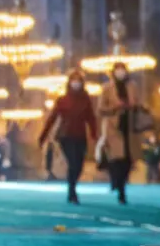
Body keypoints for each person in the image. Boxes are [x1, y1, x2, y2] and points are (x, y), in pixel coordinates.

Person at [38, 70, 97, 204]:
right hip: (66, 136)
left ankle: (72, 188)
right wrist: (43, 136)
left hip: (81, 136)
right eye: (73, 80)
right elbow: (52, 119)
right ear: (69, 83)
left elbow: (91, 118)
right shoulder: (62, 100)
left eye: (78, 81)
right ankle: (72, 192)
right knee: (73, 163)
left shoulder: (85, 100)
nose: (76, 83)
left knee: (80, 165)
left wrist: (94, 134)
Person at [97, 61, 143, 204]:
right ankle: (120, 190)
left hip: (129, 127)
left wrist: (132, 105)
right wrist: (115, 107)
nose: (121, 73)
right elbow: (100, 108)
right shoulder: (107, 88)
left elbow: (138, 103)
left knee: (128, 161)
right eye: (118, 70)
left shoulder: (132, 86)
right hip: (113, 127)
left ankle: (120, 183)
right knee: (117, 159)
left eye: (123, 70)